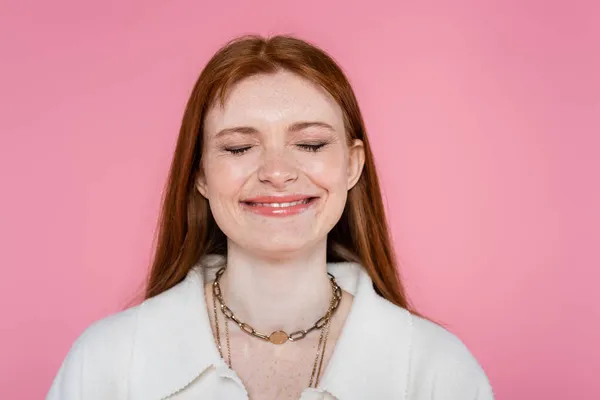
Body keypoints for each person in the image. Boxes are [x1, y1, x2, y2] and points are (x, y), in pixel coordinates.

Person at [47, 35, 494, 400]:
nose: (277, 173)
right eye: (239, 148)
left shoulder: (439, 370)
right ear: (200, 173)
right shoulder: (105, 362)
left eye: (312, 145)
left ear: (353, 165)